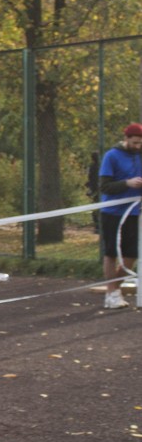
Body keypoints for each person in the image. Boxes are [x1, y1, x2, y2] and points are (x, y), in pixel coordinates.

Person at [98, 123, 142, 308]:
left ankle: (115, 289)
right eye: (134, 143)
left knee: (131, 254)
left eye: (140, 143)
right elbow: (104, 186)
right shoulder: (111, 156)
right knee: (111, 253)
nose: (137, 146)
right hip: (112, 212)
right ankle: (112, 292)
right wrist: (127, 183)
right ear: (126, 139)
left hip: (133, 212)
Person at [86, 151, 100, 233]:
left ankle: (97, 226)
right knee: (96, 209)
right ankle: (97, 226)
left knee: (95, 209)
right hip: (96, 190)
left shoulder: (92, 167)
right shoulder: (99, 166)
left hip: (96, 190)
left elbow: (91, 178)